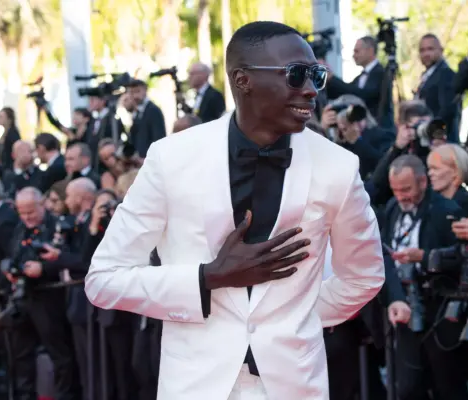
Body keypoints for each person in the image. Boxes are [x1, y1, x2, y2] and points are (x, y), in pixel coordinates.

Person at [85, 21, 385, 400]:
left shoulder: (338, 166)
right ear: (243, 80)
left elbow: (364, 276)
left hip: (293, 385)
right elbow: (104, 279)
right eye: (296, 74)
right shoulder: (171, 158)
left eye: (317, 75)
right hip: (194, 386)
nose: (311, 89)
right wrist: (207, 278)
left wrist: (297, 320)